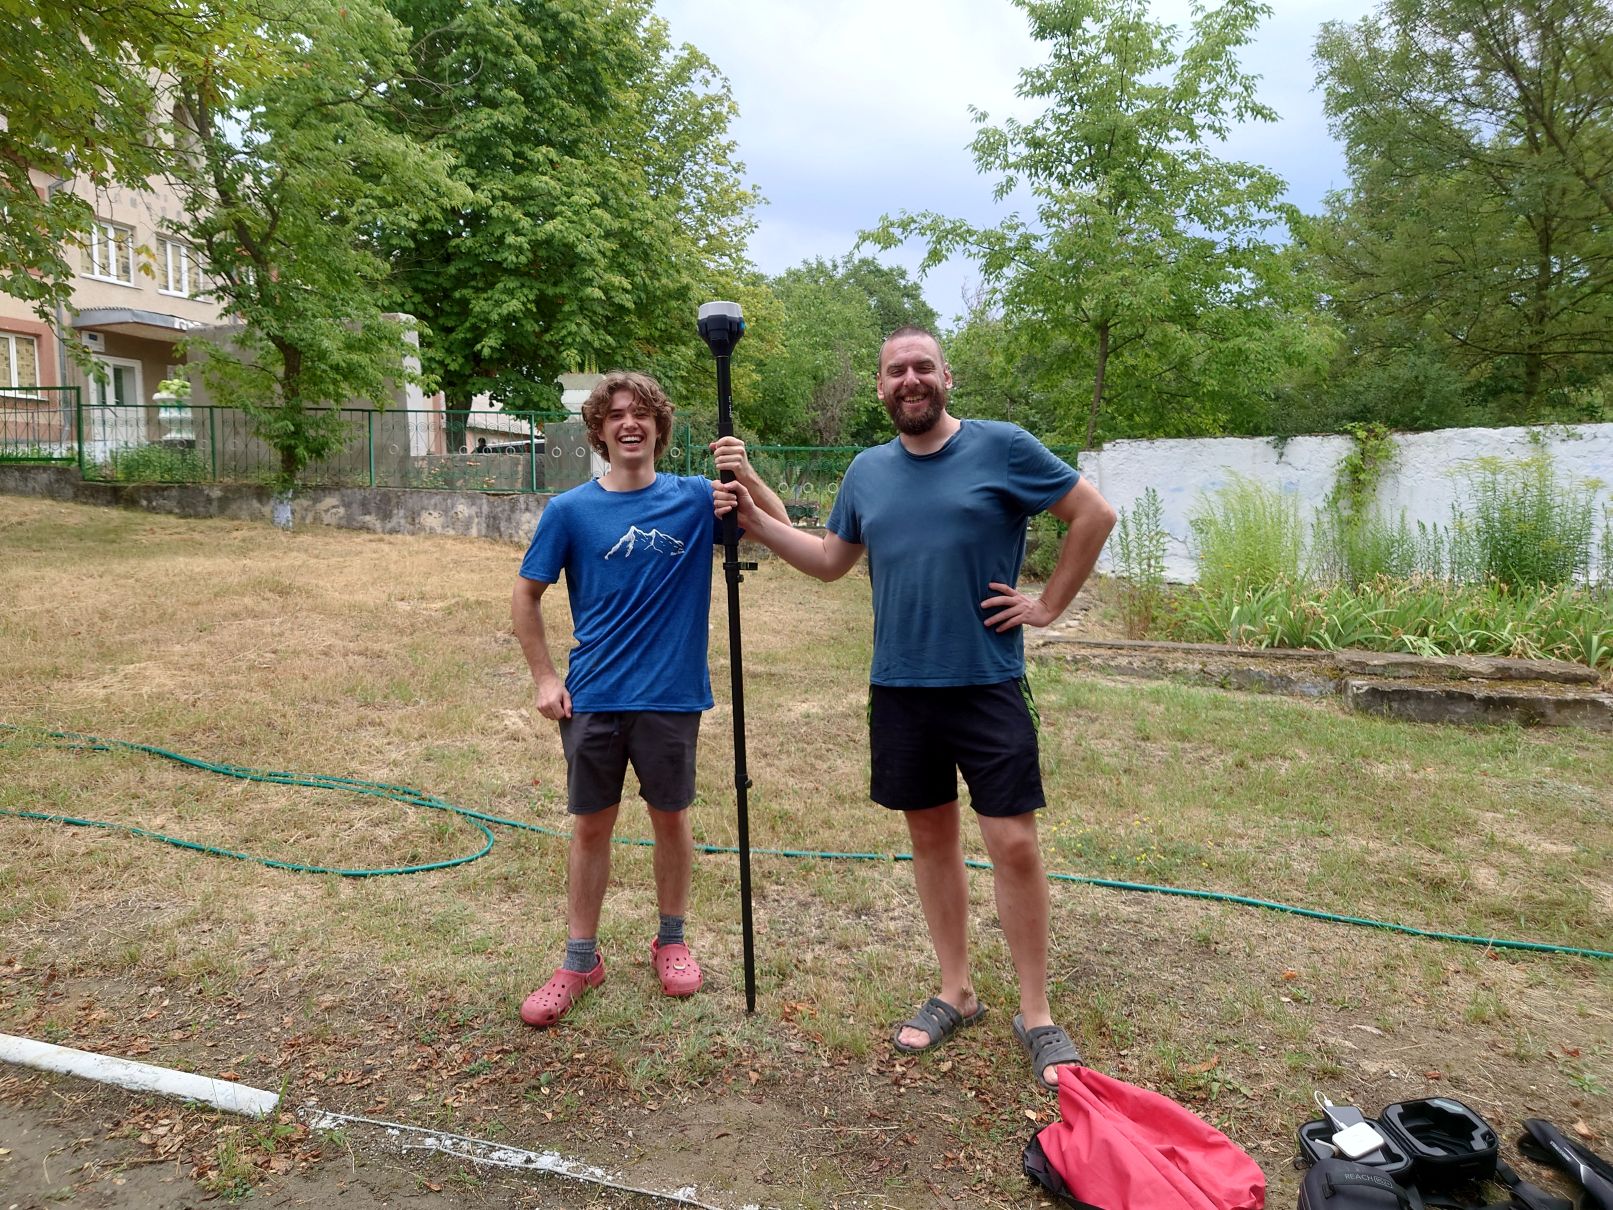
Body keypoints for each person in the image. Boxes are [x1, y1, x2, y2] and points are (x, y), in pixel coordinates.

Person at [714, 326, 1116, 1089]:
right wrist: (756, 520)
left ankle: (1035, 1013)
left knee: (1013, 844)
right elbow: (832, 563)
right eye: (896, 370)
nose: (910, 379)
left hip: (987, 682)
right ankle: (955, 990)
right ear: (879, 387)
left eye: (922, 367)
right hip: (900, 687)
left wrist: (1048, 605)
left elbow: (1091, 516)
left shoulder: (1002, 448)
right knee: (931, 842)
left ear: (946, 378)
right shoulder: (867, 472)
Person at [511, 369, 788, 1027]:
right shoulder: (570, 510)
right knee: (591, 825)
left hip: (671, 695)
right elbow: (526, 595)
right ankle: (580, 959)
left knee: (670, 817)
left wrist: (744, 474)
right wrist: (546, 679)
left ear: (659, 427)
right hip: (594, 695)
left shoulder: (696, 499)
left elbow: (779, 532)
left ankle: (671, 940)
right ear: (600, 430)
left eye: (641, 414)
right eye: (616, 416)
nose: (629, 424)